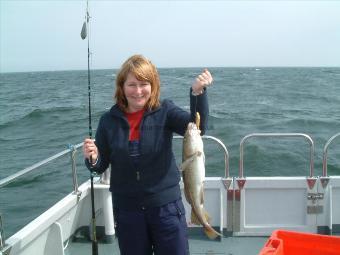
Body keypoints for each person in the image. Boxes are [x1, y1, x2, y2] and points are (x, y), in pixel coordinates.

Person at [83, 54, 213, 255]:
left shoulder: (165, 111)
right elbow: (100, 165)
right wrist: (93, 158)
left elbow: (198, 127)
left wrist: (198, 93)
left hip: (166, 209)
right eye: (131, 85)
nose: (138, 91)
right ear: (121, 87)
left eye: (144, 84)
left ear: (153, 86)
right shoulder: (108, 121)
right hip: (128, 212)